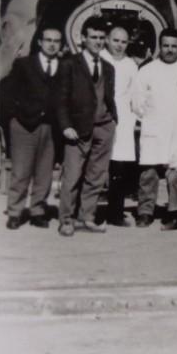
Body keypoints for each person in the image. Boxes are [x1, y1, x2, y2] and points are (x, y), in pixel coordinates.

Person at [55, 16, 117, 237]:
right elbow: (60, 100)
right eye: (93, 37)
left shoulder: (109, 68)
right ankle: (66, 220)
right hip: (77, 130)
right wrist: (65, 126)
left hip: (104, 127)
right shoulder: (70, 64)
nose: (98, 42)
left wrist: (112, 122)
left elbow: (108, 96)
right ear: (83, 38)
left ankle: (87, 217)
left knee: (96, 176)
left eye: (101, 38)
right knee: (71, 176)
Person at [132, 28, 177, 228]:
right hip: (154, 130)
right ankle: (145, 211)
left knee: (175, 173)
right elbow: (137, 103)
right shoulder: (147, 71)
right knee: (148, 174)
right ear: (160, 45)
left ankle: (174, 211)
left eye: (174, 46)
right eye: (166, 45)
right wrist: (153, 118)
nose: (170, 50)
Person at [1, 25, 62, 229]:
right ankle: (15, 212)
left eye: (56, 41)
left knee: (44, 172)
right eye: (48, 40)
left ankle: (37, 210)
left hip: (51, 127)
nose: (52, 45)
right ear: (40, 42)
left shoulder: (63, 66)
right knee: (21, 170)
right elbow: (7, 94)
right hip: (24, 126)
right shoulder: (24, 64)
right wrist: (16, 116)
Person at [100, 24, 140, 226]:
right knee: (96, 166)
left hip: (123, 120)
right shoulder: (99, 59)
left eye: (124, 41)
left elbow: (135, 95)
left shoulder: (131, 65)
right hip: (100, 117)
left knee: (119, 169)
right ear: (107, 39)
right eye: (115, 40)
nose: (119, 45)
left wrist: (133, 119)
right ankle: (88, 212)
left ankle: (115, 214)